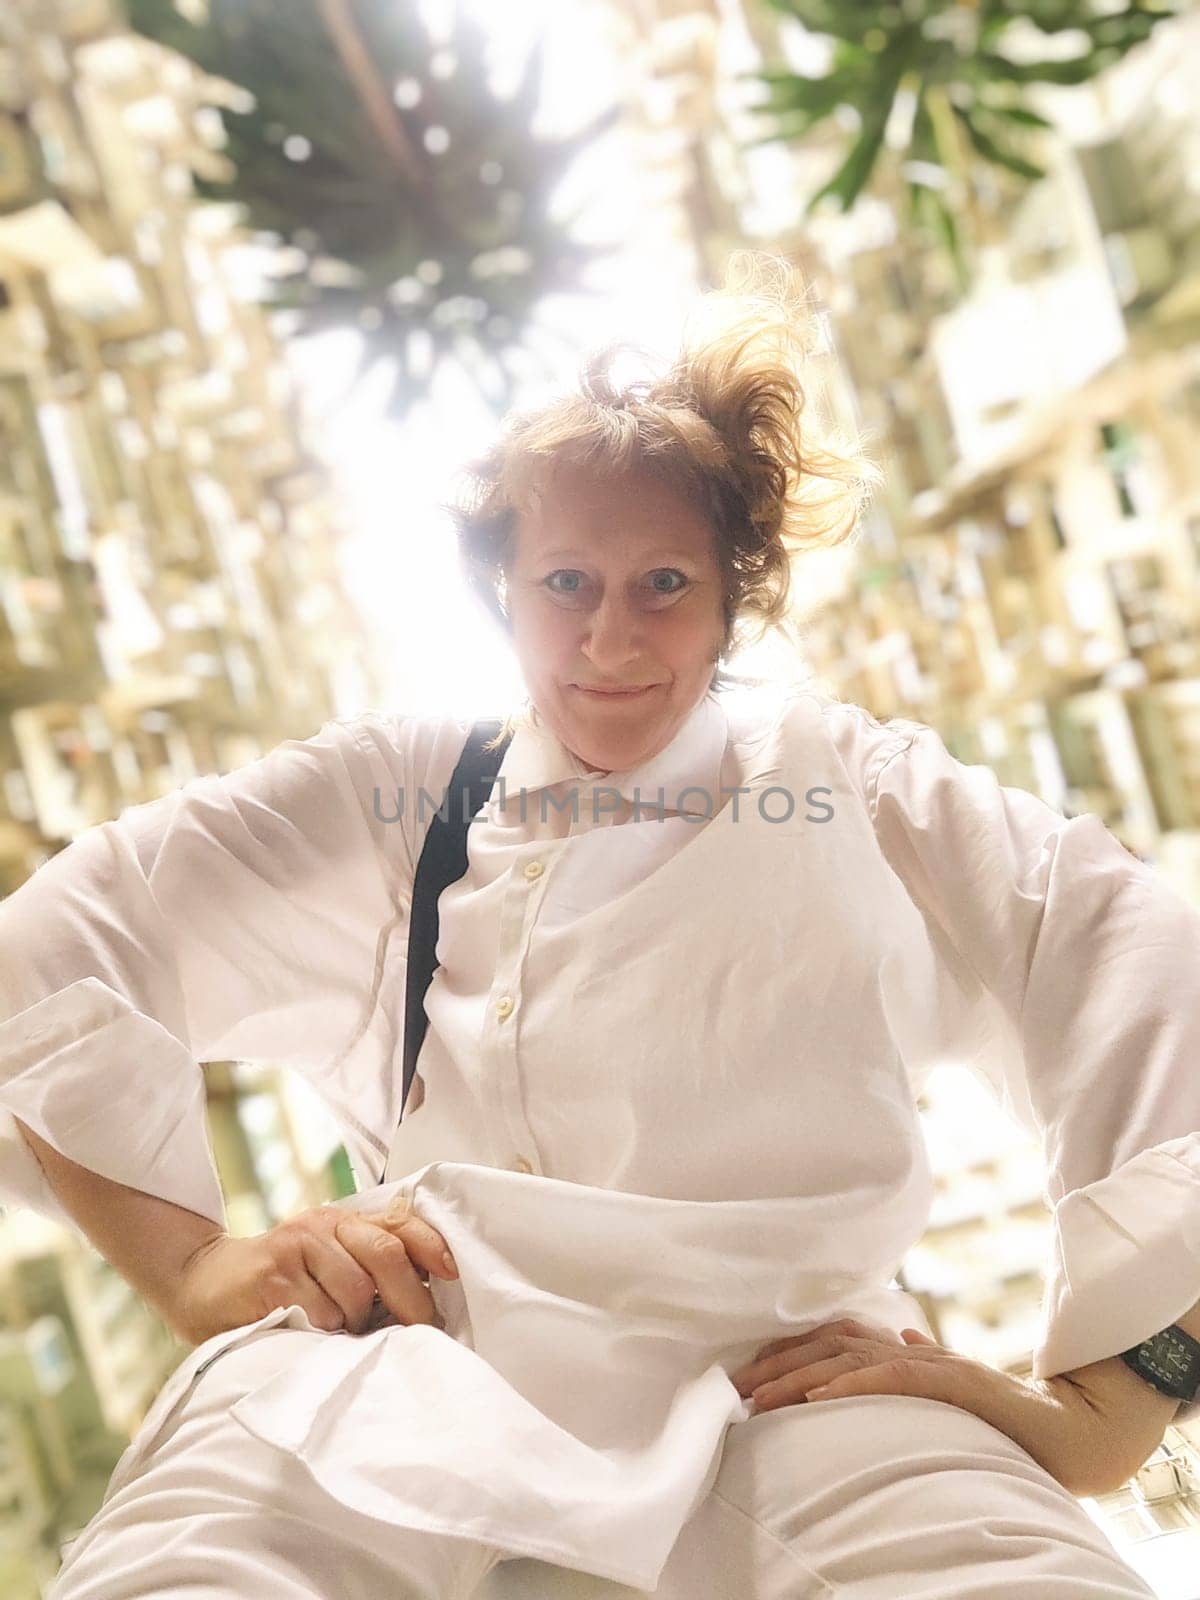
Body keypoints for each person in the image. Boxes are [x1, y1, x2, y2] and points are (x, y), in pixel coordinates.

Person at [0, 252, 1195, 1599]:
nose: (612, 638)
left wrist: (1112, 1404)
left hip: (807, 1394)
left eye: (665, 584)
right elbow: (55, 945)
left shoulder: (856, 787)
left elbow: (1137, 966)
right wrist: (198, 1270)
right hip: (399, 1380)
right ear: (502, 592)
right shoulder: (405, 800)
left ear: (735, 593)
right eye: (568, 583)